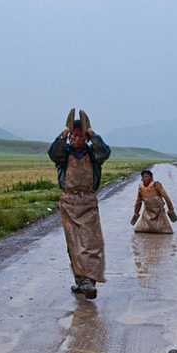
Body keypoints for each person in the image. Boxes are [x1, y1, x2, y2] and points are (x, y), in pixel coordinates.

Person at [48, 109, 111, 299]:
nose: (77, 139)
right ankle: (80, 280)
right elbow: (53, 153)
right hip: (69, 202)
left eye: (81, 135)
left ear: (86, 137)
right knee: (73, 244)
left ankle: (89, 281)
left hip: (87, 201)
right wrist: (64, 132)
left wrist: (92, 133)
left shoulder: (93, 155)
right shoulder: (63, 154)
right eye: (74, 136)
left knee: (90, 242)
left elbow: (105, 152)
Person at [130, 169, 177, 233]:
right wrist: (136, 212)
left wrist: (170, 209)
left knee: (166, 231)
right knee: (140, 230)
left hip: (159, 212)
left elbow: (166, 197)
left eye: (147, 177)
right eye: (144, 177)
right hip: (147, 212)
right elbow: (138, 201)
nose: (145, 179)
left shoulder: (156, 185)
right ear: (142, 178)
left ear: (151, 177)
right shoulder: (141, 188)